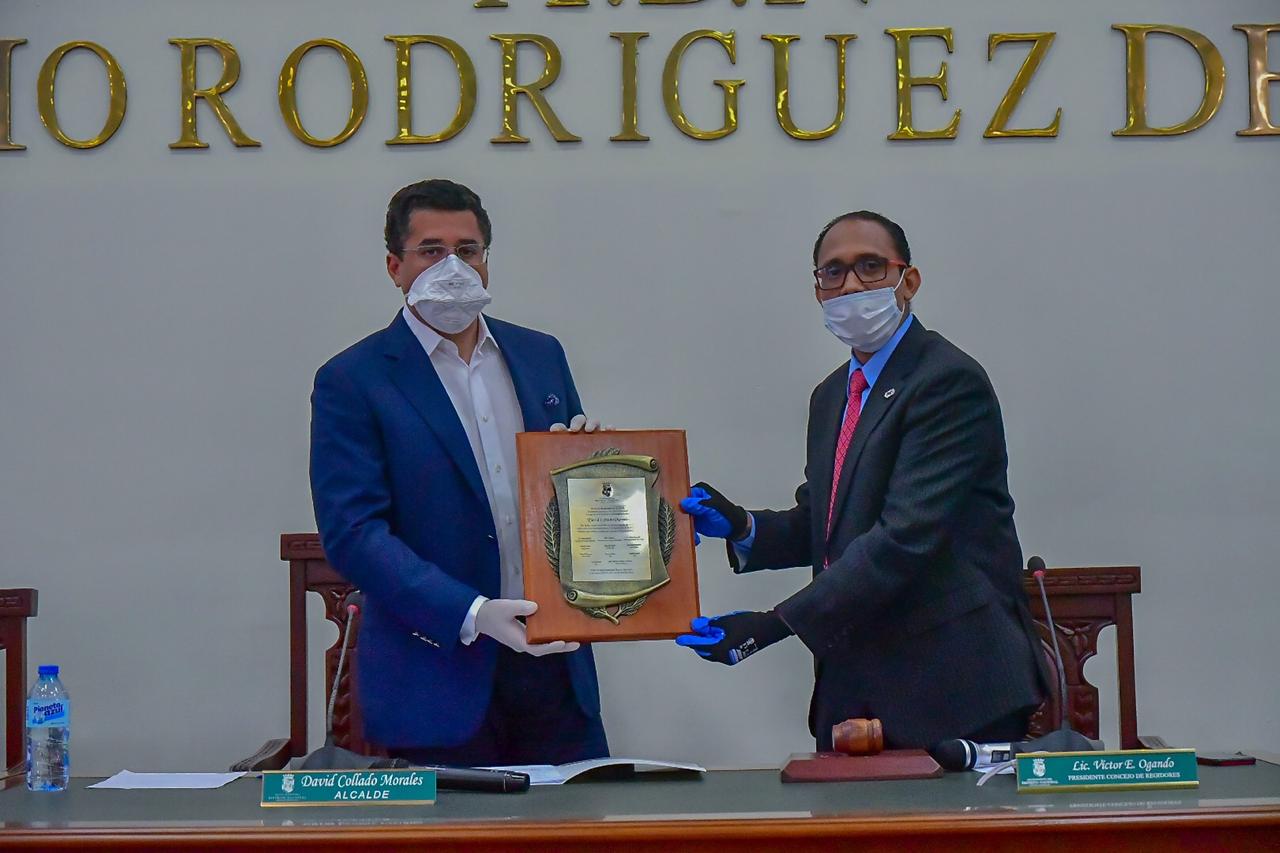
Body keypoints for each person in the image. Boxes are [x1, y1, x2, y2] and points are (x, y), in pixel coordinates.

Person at [677, 211, 1047, 751]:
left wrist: (776, 624)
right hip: (855, 685)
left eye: (870, 267)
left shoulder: (947, 381)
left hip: (953, 686)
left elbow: (903, 538)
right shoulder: (832, 395)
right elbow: (828, 522)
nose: (850, 284)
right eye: (834, 272)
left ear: (908, 281)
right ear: (818, 291)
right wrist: (741, 526)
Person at [310, 179, 607, 766]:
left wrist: (597, 470)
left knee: (576, 818)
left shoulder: (541, 355)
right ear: (395, 266)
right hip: (436, 674)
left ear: (487, 261)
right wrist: (472, 613)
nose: (453, 267)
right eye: (431, 251)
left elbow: (568, 502)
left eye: (467, 250)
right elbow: (354, 534)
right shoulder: (354, 379)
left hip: (555, 667)